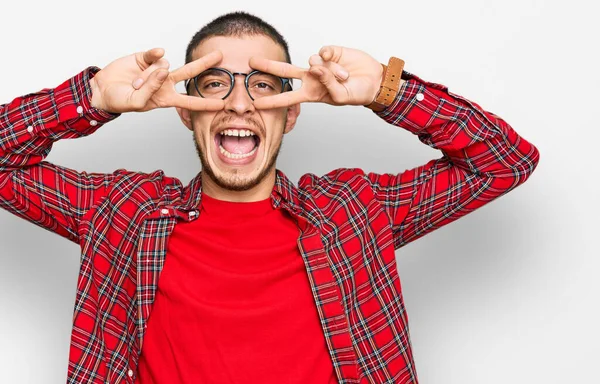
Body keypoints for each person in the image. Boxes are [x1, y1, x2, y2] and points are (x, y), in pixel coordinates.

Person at [0, 11, 539, 384]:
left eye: (263, 85)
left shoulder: (352, 210)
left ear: (293, 110)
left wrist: (388, 91)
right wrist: (91, 98)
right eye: (214, 84)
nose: (238, 104)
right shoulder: (124, 212)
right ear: (185, 110)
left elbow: (506, 162)